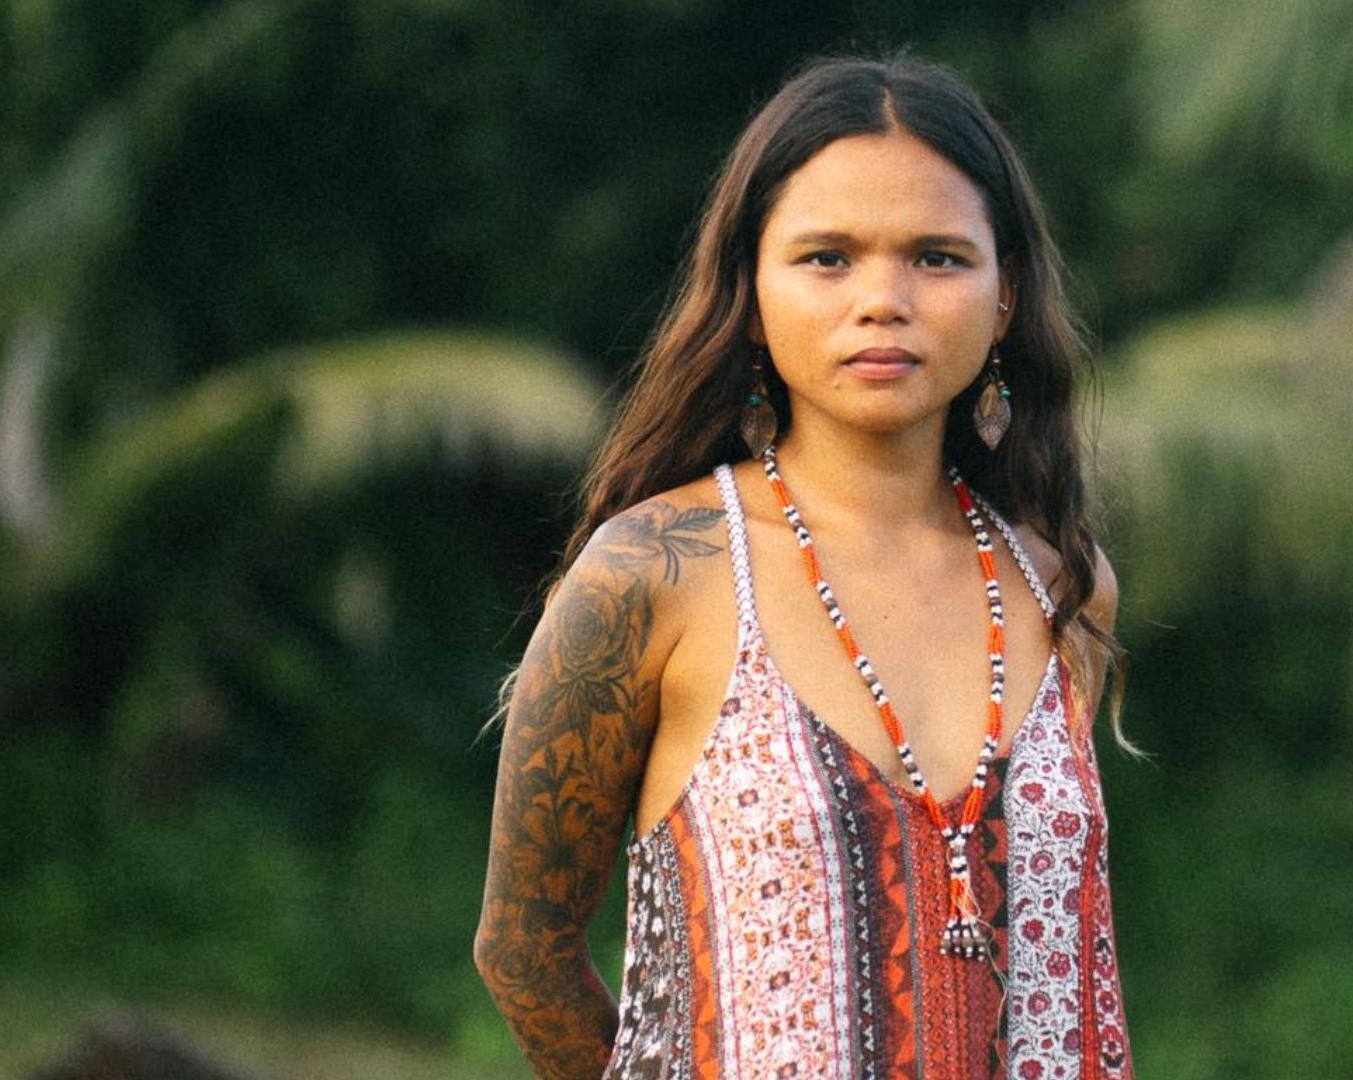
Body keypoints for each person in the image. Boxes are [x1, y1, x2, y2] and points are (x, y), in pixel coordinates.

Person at [474, 54, 1133, 1079]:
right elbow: (525, 954)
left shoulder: (1062, 588)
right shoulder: (656, 573)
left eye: (938, 258)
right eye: (828, 257)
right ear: (750, 293)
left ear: (1005, 296)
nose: (883, 299)